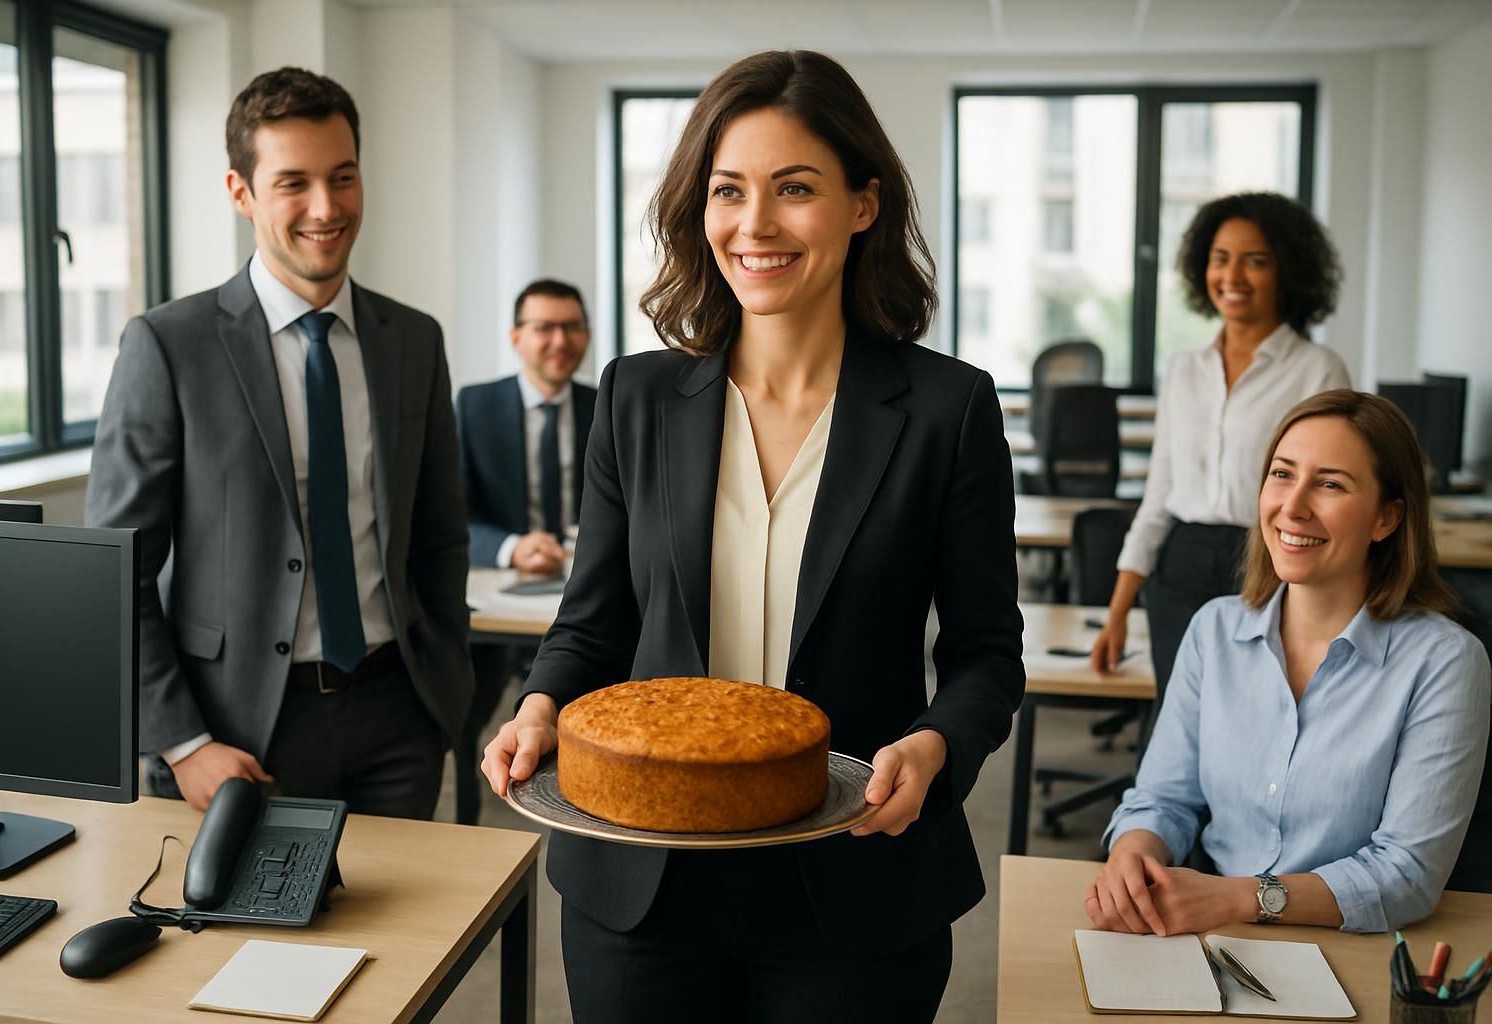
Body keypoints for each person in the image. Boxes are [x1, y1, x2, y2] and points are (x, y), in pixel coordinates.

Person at [483, 49, 1024, 1023]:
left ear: (863, 205)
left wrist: (938, 743)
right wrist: (538, 707)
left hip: (853, 881)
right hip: (642, 880)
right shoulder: (637, 400)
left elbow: (987, 654)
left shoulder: (948, 409)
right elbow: (592, 623)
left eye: (796, 189)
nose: (756, 224)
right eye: (728, 191)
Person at [86, 67, 472, 820]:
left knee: (414, 939)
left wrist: (444, 693)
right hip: (237, 735)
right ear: (241, 192)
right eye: (293, 182)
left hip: (398, 718)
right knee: (242, 939)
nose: (326, 208)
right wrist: (181, 742)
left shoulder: (413, 340)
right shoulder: (169, 344)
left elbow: (439, 533)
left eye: (344, 177)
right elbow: (115, 569)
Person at [1087, 390, 1489, 936]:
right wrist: (1134, 853)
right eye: (1282, 474)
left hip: (1355, 947)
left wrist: (1240, 898)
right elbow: (1163, 798)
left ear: (1386, 518)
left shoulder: (1445, 662)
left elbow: (1408, 873)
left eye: (1329, 484)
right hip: (1211, 932)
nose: (1293, 506)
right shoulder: (1215, 629)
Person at [1091, 192, 1351, 700]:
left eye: (1255, 261)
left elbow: (1329, 495)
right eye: (1220, 257)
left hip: (1271, 563)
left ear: (1287, 271)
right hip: (1180, 564)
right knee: (1178, 720)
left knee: (1259, 718)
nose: (1233, 275)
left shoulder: (1318, 370)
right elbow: (1158, 497)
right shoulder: (1184, 368)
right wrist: (1118, 612)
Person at [453, 278, 596, 823]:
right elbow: (453, 515)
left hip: (580, 593)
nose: (560, 340)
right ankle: (471, 811)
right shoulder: (476, 405)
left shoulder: (607, 403)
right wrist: (512, 547)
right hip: (503, 598)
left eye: (572, 327)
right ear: (516, 336)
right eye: (544, 328)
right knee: (470, 706)